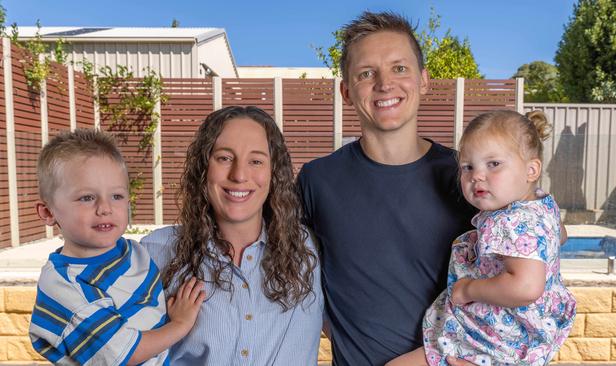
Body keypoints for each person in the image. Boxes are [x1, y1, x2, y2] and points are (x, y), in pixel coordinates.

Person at [297, 11, 477, 366]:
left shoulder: (467, 178)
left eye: (399, 68)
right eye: (367, 73)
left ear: (424, 80)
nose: (384, 84)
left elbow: (525, 274)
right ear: (346, 91)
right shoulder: (317, 181)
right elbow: (286, 270)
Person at [387, 110, 576, 366]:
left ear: (531, 170)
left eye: (493, 164)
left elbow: (526, 287)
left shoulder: (513, 221)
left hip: (496, 341)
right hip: (516, 337)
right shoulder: (541, 204)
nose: (476, 175)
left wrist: (468, 289)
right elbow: (560, 235)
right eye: (467, 167)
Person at [140, 106, 323, 365]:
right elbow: (113, 346)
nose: (238, 175)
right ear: (204, 167)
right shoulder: (158, 251)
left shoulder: (308, 248)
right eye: (224, 158)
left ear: (274, 172)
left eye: (256, 161)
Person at [29, 129, 204, 365]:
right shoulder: (65, 286)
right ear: (48, 212)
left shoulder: (134, 252)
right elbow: (123, 354)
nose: (105, 208)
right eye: (87, 198)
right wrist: (180, 324)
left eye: (117, 196)